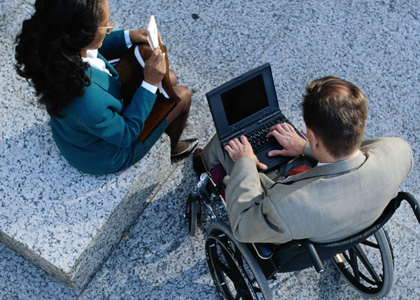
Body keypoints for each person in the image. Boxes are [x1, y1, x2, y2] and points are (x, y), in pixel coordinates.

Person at [196, 76, 413, 244]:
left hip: (289, 209)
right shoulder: (399, 152)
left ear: (315, 137)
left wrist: (244, 161)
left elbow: (243, 226)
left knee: (221, 144)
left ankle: (201, 163)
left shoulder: (288, 207)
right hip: (347, 214)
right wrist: (305, 147)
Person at [15, 0, 197, 175]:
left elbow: (95, 48)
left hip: (87, 123)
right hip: (105, 152)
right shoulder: (85, 100)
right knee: (182, 96)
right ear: (84, 33)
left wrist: (129, 36)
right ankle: (172, 149)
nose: (109, 27)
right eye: (106, 25)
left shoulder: (58, 48)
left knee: (169, 77)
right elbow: (126, 134)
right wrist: (148, 84)